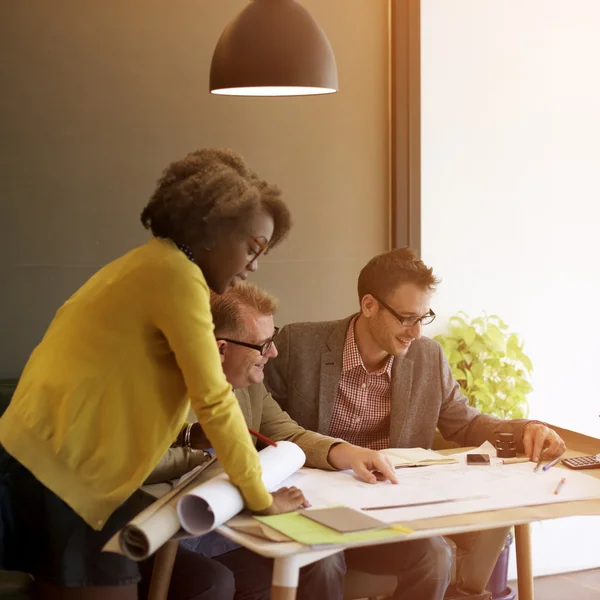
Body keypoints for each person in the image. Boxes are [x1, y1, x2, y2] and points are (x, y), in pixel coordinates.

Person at [0, 148, 307, 600]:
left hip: (44, 465)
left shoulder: (148, 264)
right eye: (253, 248)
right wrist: (261, 498)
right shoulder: (177, 278)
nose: (253, 266)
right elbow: (215, 399)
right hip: (68, 480)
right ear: (214, 229)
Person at [264, 247, 567, 600]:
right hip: (313, 509)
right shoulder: (299, 344)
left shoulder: (428, 357)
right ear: (368, 305)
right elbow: (265, 425)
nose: (417, 332)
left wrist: (525, 429)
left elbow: (465, 424)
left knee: (435, 557)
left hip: (389, 510)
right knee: (324, 564)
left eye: (424, 317)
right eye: (407, 318)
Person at [145, 281, 399, 600]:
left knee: (321, 557)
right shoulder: (157, 386)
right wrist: (212, 450)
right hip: (170, 527)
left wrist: (348, 453)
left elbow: (287, 434)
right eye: (263, 344)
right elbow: (136, 467)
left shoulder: (248, 383)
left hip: (233, 518)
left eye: (273, 338)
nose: (274, 352)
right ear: (221, 348)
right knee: (216, 582)